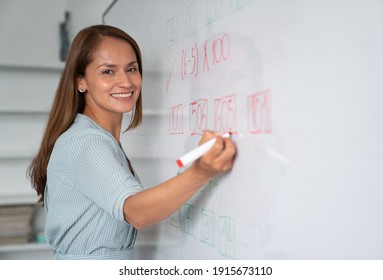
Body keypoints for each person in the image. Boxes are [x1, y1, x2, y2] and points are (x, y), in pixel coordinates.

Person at [27, 24, 236, 260]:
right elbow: (136, 212)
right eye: (108, 71)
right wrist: (201, 173)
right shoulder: (84, 142)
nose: (126, 82)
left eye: (131, 69)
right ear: (80, 82)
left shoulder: (100, 139)